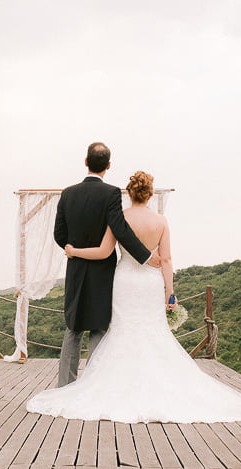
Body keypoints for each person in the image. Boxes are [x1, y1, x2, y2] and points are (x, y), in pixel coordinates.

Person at [27, 171, 241, 423]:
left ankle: (109, 385)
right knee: (153, 334)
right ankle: (157, 385)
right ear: (150, 194)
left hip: (124, 282)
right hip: (150, 284)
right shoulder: (160, 222)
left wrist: (74, 250)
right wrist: (170, 292)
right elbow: (165, 259)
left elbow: (103, 252)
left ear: (129, 193)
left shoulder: (118, 218)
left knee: (121, 332)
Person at [52, 142, 161, 388]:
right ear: (108, 166)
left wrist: (73, 251)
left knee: (73, 327)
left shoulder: (68, 193)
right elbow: (120, 229)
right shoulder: (111, 193)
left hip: (76, 268)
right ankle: (92, 386)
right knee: (99, 327)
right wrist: (145, 256)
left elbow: (59, 234)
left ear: (85, 161)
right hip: (103, 272)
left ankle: (64, 387)